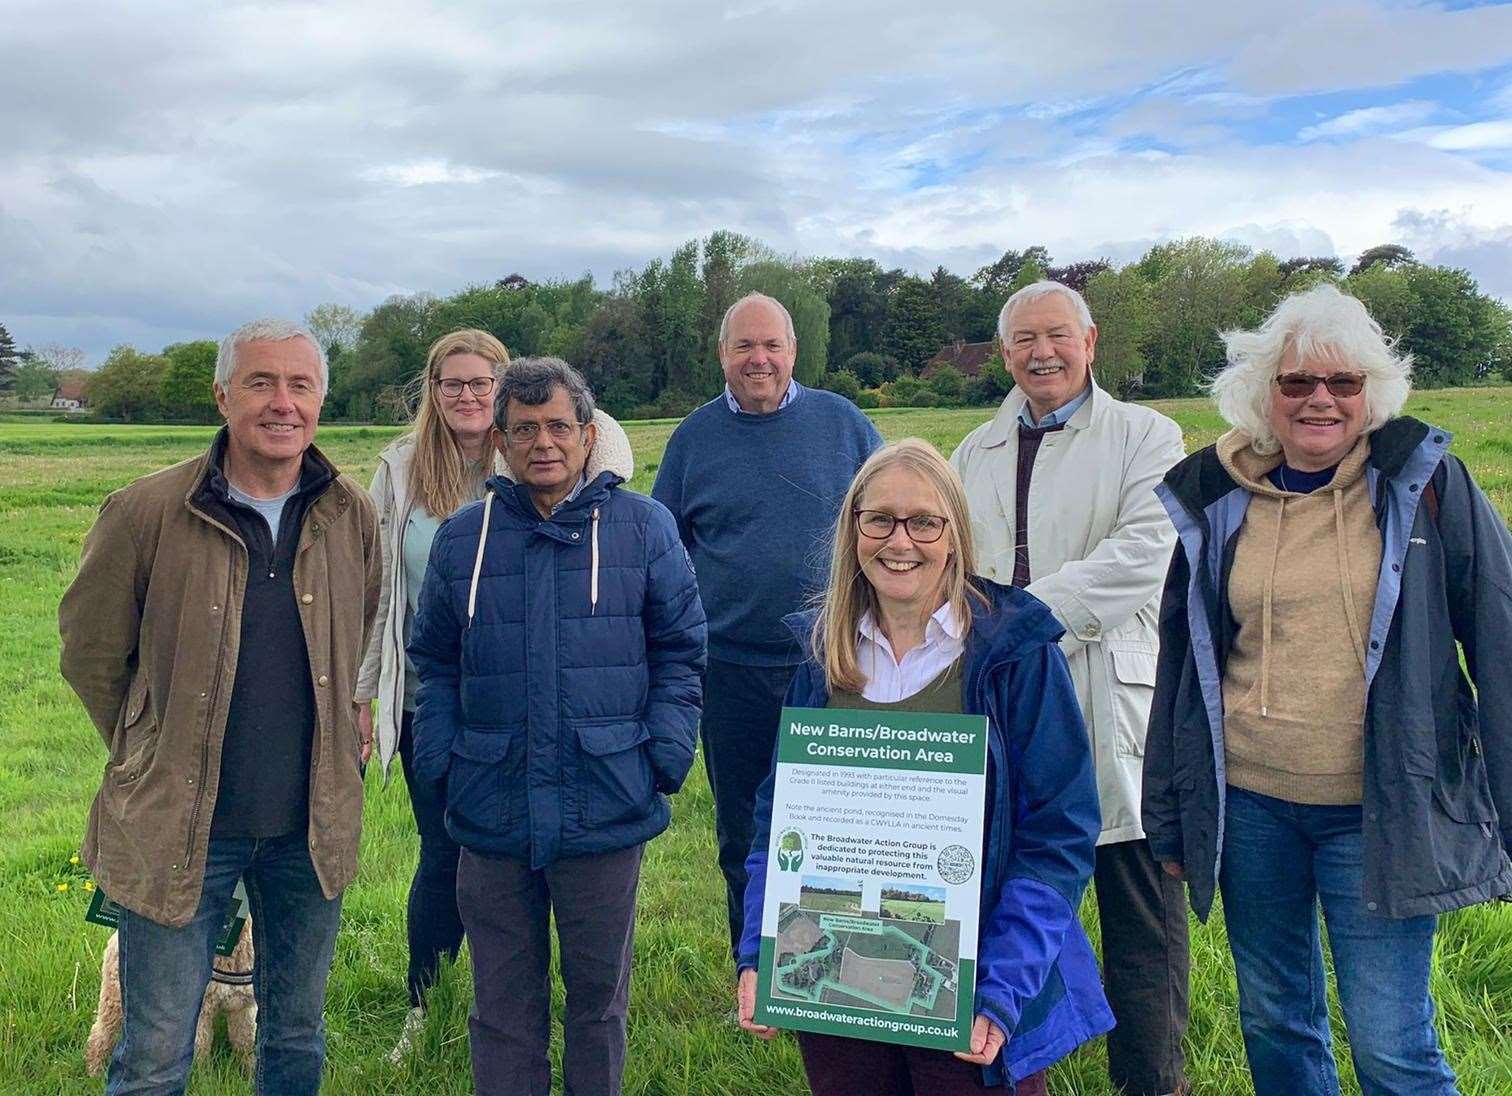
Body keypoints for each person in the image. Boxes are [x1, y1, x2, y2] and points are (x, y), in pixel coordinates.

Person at [1143, 283, 1512, 1096]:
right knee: (1275, 1023)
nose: (1319, 400)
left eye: (1343, 383)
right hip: (1251, 811)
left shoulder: (1427, 486)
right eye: (1296, 382)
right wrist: (1170, 813)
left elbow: (1500, 641)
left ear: (1371, 394)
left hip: (1378, 810)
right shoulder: (1217, 498)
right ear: (1262, 394)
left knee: (1392, 1047)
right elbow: (1182, 667)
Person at [59, 319, 381, 1095]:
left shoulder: (350, 513)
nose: (282, 403)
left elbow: (363, 631)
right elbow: (91, 653)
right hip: (179, 829)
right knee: (156, 1052)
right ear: (222, 395)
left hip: (310, 829)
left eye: (300, 386)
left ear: (321, 401)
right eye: (261, 383)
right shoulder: (145, 512)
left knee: (295, 1037)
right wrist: (150, 747)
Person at [735, 439, 1112, 1095]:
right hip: (834, 983)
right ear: (853, 529)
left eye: (923, 522)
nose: (898, 541)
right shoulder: (822, 654)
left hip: (969, 987)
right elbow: (779, 820)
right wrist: (760, 952)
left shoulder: (1012, 653)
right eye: (878, 519)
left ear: (954, 533)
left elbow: (1059, 832)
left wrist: (1002, 984)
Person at [408, 357, 706, 1096]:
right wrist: (444, 760)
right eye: (525, 429)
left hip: (606, 798)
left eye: (559, 426)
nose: (544, 443)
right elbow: (434, 660)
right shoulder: (463, 540)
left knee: (597, 1004)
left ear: (587, 432)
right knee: (502, 1005)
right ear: (501, 442)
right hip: (491, 802)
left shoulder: (643, 529)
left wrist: (661, 756)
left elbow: (680, 651)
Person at [353, 329, 633, 1059]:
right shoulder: (402, 470)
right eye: (453, 384)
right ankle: (431, 1003)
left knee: (556, 868)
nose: (467, 396)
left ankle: (556, 1015)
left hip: (549, 706)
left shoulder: (556, 452)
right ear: (433, 391)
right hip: (437, 703)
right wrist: (369, 693)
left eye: (483, 383)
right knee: (445, 854)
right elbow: (380, 591)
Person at [950, 281, 1190, 1096]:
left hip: (1106, 701)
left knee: (1141, 932)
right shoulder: (973, 451)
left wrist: (1020, 620)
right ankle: (1011, 1072)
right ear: (1005, 353)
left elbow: (1143, 555)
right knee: (1009, 909)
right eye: (1022, 339)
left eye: (1056, 335)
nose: (1040, 352)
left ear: (1091, 343)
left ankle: (1151, 1083)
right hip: (1005, 705)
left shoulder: (1147, 436)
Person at [652, 291, 883, 961]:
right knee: (747, 831)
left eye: (771, 345)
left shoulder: (842, 424)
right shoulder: (693, 439)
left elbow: (897, 510)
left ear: (793, 352)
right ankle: (757, 971)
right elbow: (665, 553)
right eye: (744, 346)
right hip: (730, 670)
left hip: (836, 660)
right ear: (722, 354)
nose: (759, 358)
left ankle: (844, 968)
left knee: (839, 826)